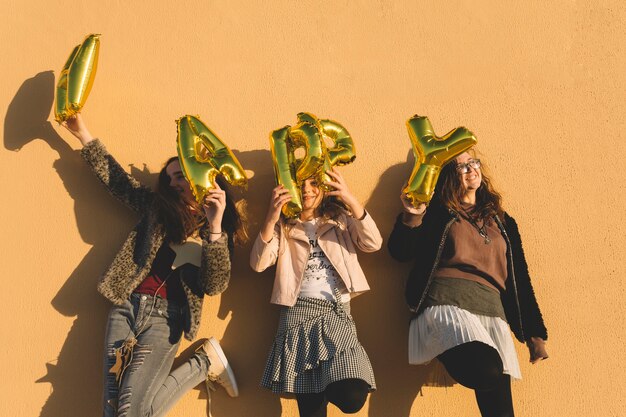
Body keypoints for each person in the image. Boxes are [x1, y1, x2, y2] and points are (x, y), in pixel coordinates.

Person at [61, 114, 246, 417]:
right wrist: (82, 134)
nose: (173, 183)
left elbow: (215, 284)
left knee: (128, 412)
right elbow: (118, 181)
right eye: (169, 178)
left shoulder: (218, 229)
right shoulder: (156, 208)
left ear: (198, 175)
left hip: (167, 319)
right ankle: (204, 364)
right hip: (126, 307)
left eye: (180, 176)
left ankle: (203, 365)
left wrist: (214, 227)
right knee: (114, 409)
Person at [388, 151, 548, 417]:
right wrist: (411, 215)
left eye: (473, 163)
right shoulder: (438, 212)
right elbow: (400, 252)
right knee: (487, 370)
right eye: (460, 167)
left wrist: (534, 334)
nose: (470, 169)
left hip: (492, 316)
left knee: (501, 411)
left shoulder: (503, 222)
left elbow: (519, 277)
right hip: (447, 308)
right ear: (448, 176)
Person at [250, 169, 382, 417]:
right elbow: (258, 263)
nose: (307, 189)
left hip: (336, 312)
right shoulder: (284, 225)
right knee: (311, 410)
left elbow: (373, 243)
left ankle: (327, 383)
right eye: (301, 184)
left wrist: (349, 198)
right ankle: (317, 388)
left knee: (352, 396)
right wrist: (271, 216)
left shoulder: (340, 218)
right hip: (297, 314)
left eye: (314, 183)